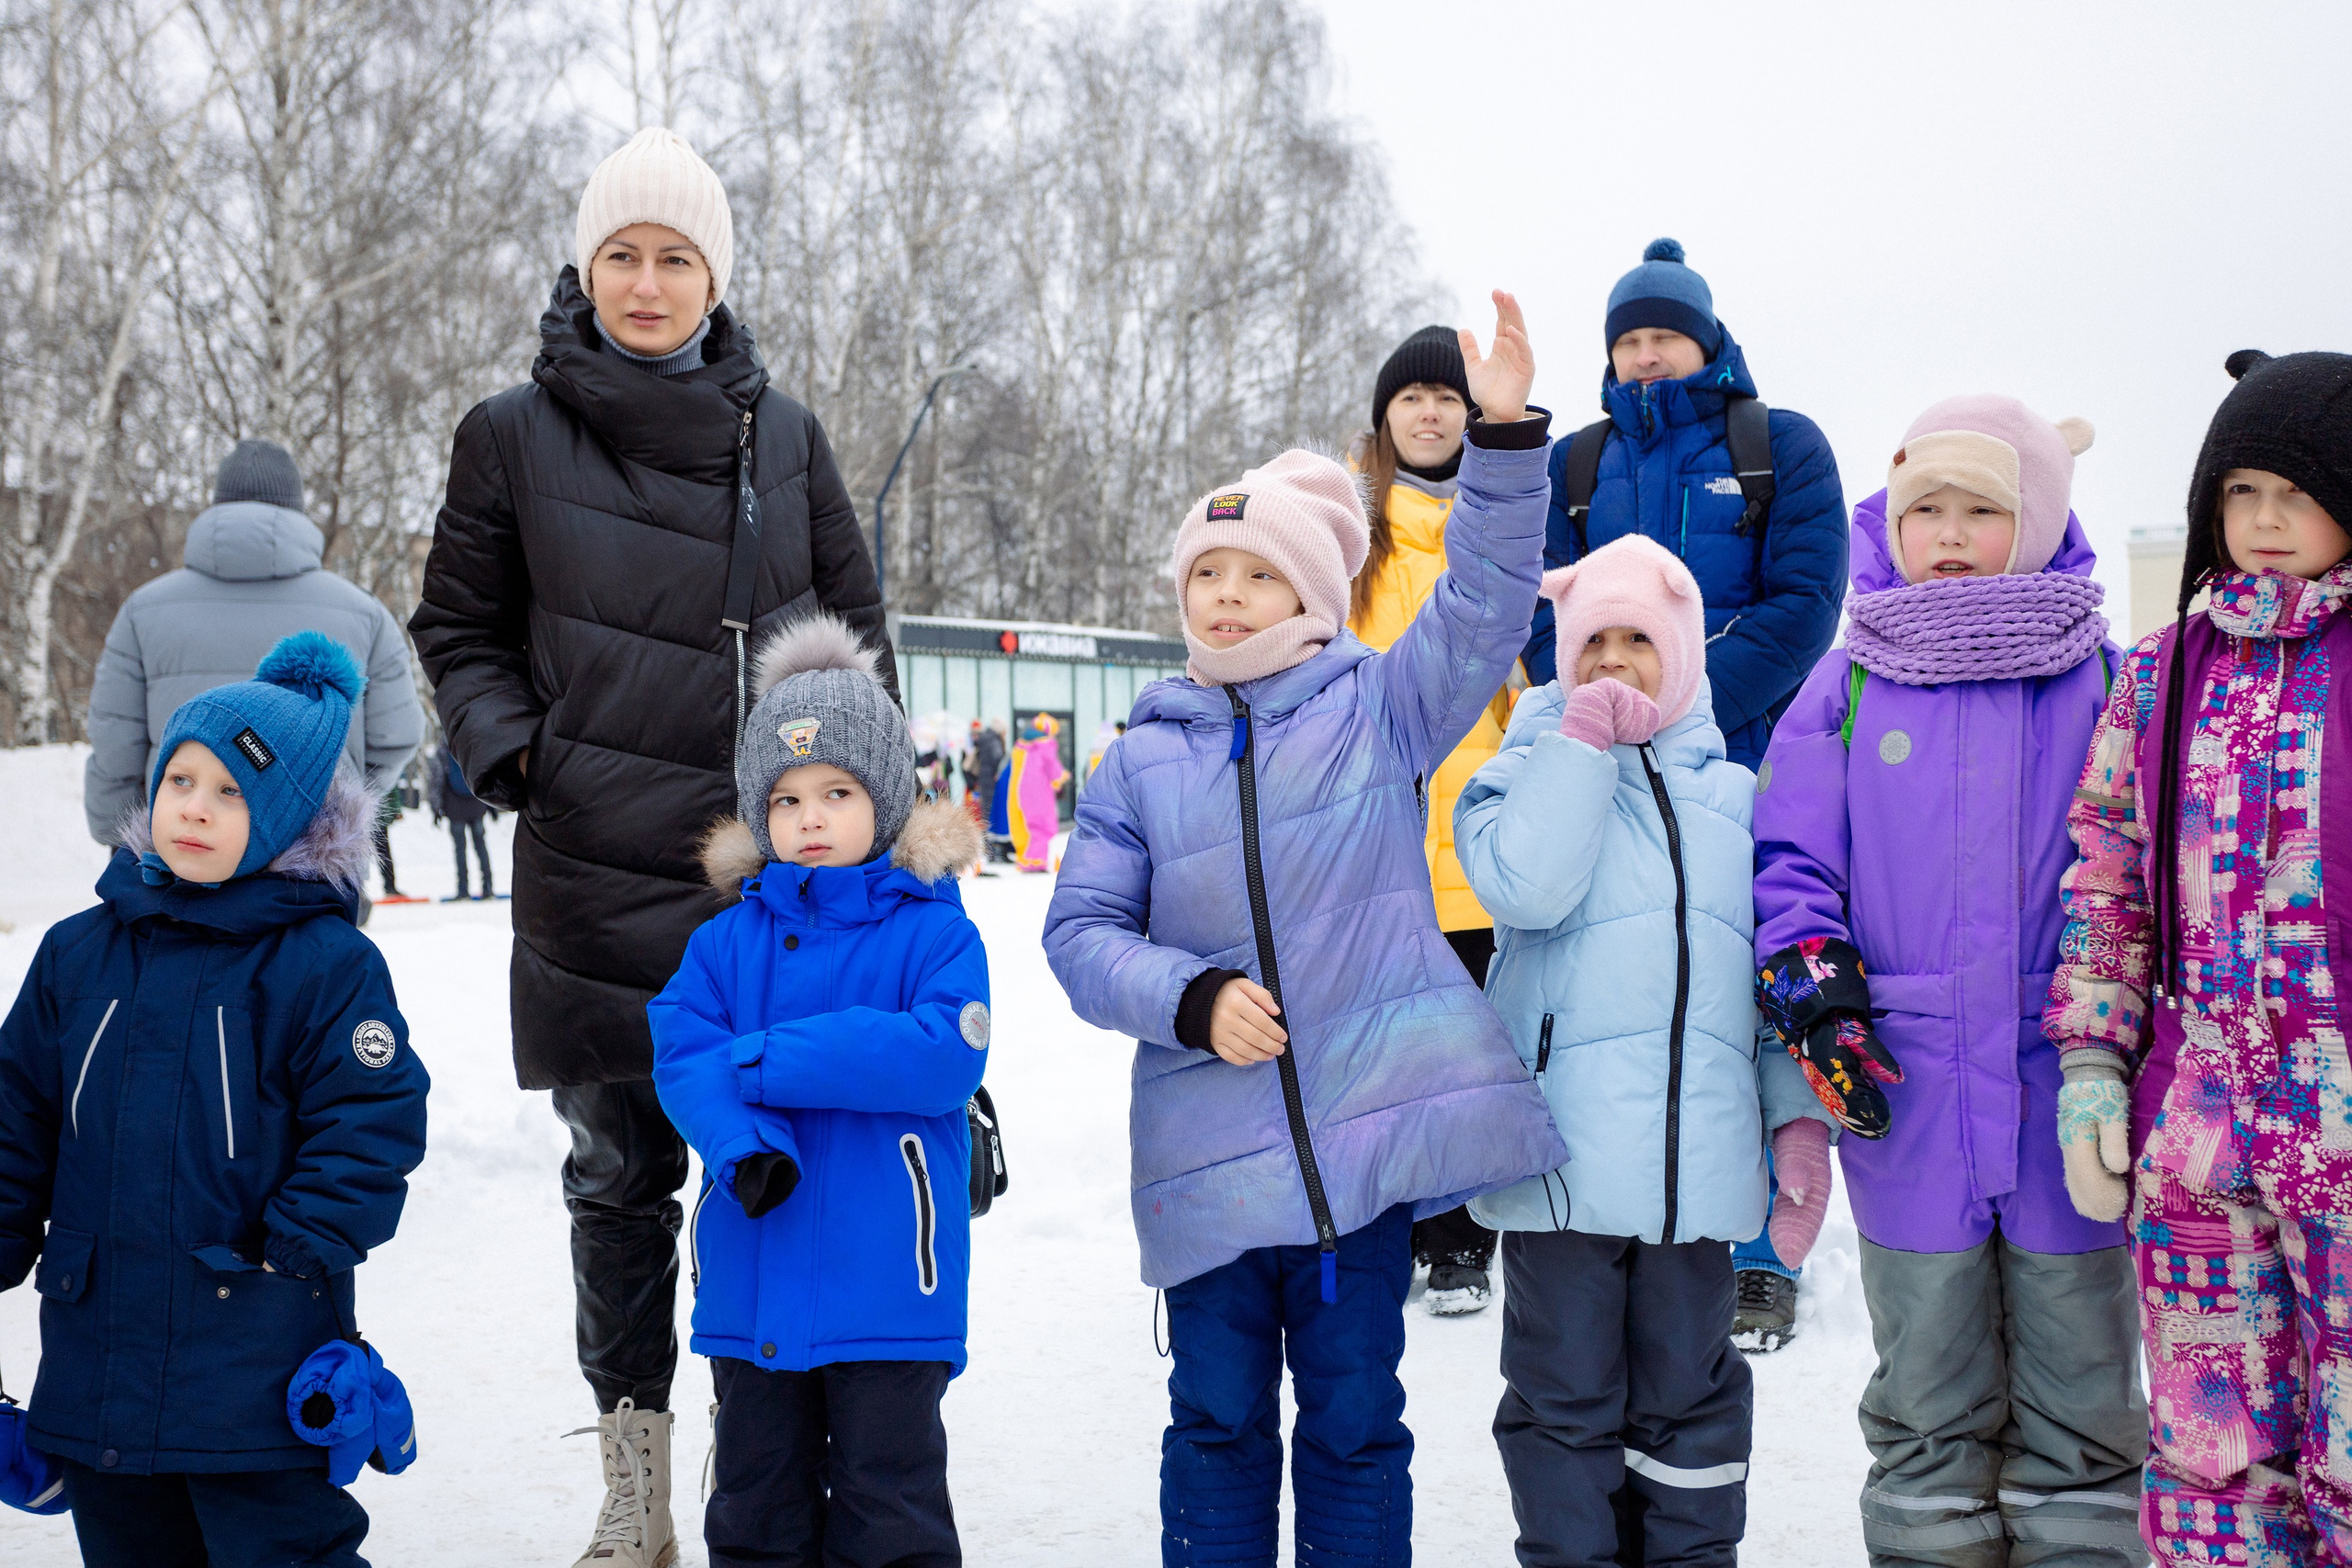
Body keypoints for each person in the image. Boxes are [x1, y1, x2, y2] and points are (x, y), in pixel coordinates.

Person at [407, 126, 892, 1566]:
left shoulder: (786, 438)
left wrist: (864, 829)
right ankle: (634, 1483)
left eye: (675, 256)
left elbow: (858, 648)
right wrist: (521, 751)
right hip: (588, 876)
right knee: (619, 1188)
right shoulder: (507, 432)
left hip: (768, 892)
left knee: (770, 1166)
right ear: (584, 263)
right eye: (621, 252)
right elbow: (459, 625)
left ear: (714, 277)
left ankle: (763, 1464)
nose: (646, 280)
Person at [1044, 294, 1567, 1562]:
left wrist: (1502, 444)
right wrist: (1185, 996)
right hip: (1206, 1167)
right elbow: (1080, 930)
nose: (1226, 596)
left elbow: (1488, 606)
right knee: (1214, 1423)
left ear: (1317, 589)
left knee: (1352, 1423)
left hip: (1354, 1170)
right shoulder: (1140, 756)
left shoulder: (1379, 710)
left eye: (1258, 571)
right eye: (1206, 573)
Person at [1754, 398, 2146, 1565]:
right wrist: (1817, 992)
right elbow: (1791, 861)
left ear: (2037, 524)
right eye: (1929, 508)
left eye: (1985, 509)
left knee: (2081, 1381)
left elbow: (2136, 865)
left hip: (2064, 1087)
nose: (1954, 532)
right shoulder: (1846, 686)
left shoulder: (2101, 681)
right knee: (1925, 1380)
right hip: (1906, 1086)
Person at [0, 633, 430, 1566]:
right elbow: (14, 1117)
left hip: (257, 1358)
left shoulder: (323, 965)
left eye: (233, 793)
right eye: (182, 781)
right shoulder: (75, 956)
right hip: (100, 1359)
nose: (196, 809)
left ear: (282, 820)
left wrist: (299, 1244)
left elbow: (374, 1118)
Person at [1454, 534, 1832, 1564]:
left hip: (1695, 1181)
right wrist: (1575, 746)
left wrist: (1792, 1124)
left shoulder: (1736, 802)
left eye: (1638, 641)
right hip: (1562, 1174)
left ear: (1683, 653)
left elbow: (1764, 993)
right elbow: (1523, 887)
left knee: (1691, 1411)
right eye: (1591, 644)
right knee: (1561, 1403)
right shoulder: (1513, 775)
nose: (1613, 663)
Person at [2048, 351, 2352, 1566]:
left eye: (2296, 491)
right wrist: (2090, 1066)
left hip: (2345, 1126)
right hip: (2203, 1127)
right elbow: (2108, 880)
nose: (2265, 520)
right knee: (2211, 1442)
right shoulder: (2164, 672)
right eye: (2241, 492)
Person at [1521, 237, 1850, 1348]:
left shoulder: (1778, 447)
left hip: (1747, 770)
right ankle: (1602, 1223)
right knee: (1620, 991)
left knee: (1742, 997)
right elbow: (1539, 608)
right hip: (1594, 775)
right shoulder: (1577, 461)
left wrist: (1686, 697)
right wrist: (1588, 712)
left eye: (1662, 334)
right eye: (1627, 338)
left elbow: (1807, 601)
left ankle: (1757, 1249)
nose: (1645, 354)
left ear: (1705, 341)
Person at [650, 615, 988, 1567]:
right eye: (787, 797)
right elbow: (682, 1051)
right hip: (754, 1284)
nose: (809, 818)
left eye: (836, 792)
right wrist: (744, 1142)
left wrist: (770, 1057)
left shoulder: (933, 934)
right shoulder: (724, 944)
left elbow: (939, 1055)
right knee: (756, 1507)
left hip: (890, 1283)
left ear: (883, 799)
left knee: (892, 1507)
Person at [1348, 323, 1514, 1314]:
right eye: (1409, 397)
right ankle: (1394, 1222)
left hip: (1479, 831)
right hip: (1374, 838)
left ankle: (1460, 1238)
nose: (1428, 411)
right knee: (1383, 1044)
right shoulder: (1344, 542)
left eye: (1446, 397)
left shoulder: (1495, 536)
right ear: (1382, 420)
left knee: (1465, 1042)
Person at [83, 438, 424, 845]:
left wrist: (128, 837)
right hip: (313, 862)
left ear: (217, 505)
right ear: (296, 509)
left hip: (180, 851)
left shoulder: (142, 610)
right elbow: (396, 735)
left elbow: (115, 742)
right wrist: (336, 811)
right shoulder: (365, 613)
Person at [427, 743, 496, 901]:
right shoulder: (472, 744)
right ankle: (488, 887)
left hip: (454, 806)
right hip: (476, 803)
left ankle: (463, 890)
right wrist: (492, 805)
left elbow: (436, 780)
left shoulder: (443, 750)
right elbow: (486, 773)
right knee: (481, 846)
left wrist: (435, 808)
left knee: (460, 849)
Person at [1013, 714, 1068, 873]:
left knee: (1034, 827)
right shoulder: (1046, 745)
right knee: (1045, 827)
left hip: (1025, 792)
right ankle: (1036, 861)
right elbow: (1053, 767)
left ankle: (1030, 859)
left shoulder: (1024, 746)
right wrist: (1061, 779)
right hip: (1041, 792)